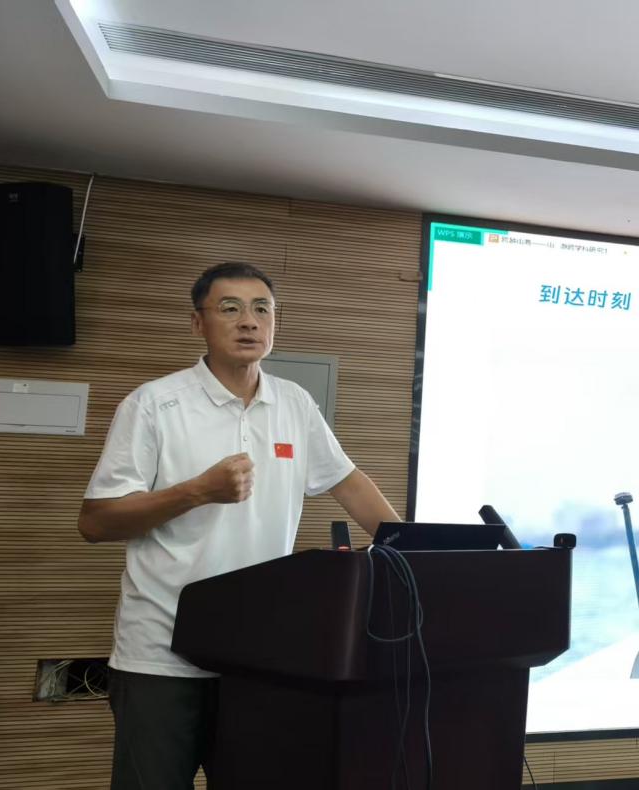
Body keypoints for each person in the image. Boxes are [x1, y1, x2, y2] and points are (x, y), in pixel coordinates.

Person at [77, 262, 401, 790]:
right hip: (163, 654)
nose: (248, 321)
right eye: (230, 308)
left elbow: (348, 483)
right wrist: (197, 491)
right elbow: (95, 521)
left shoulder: (294, 402)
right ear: (197, 322)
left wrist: (412, 550)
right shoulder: (155, 404)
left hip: (259, 655)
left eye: (261, 309)